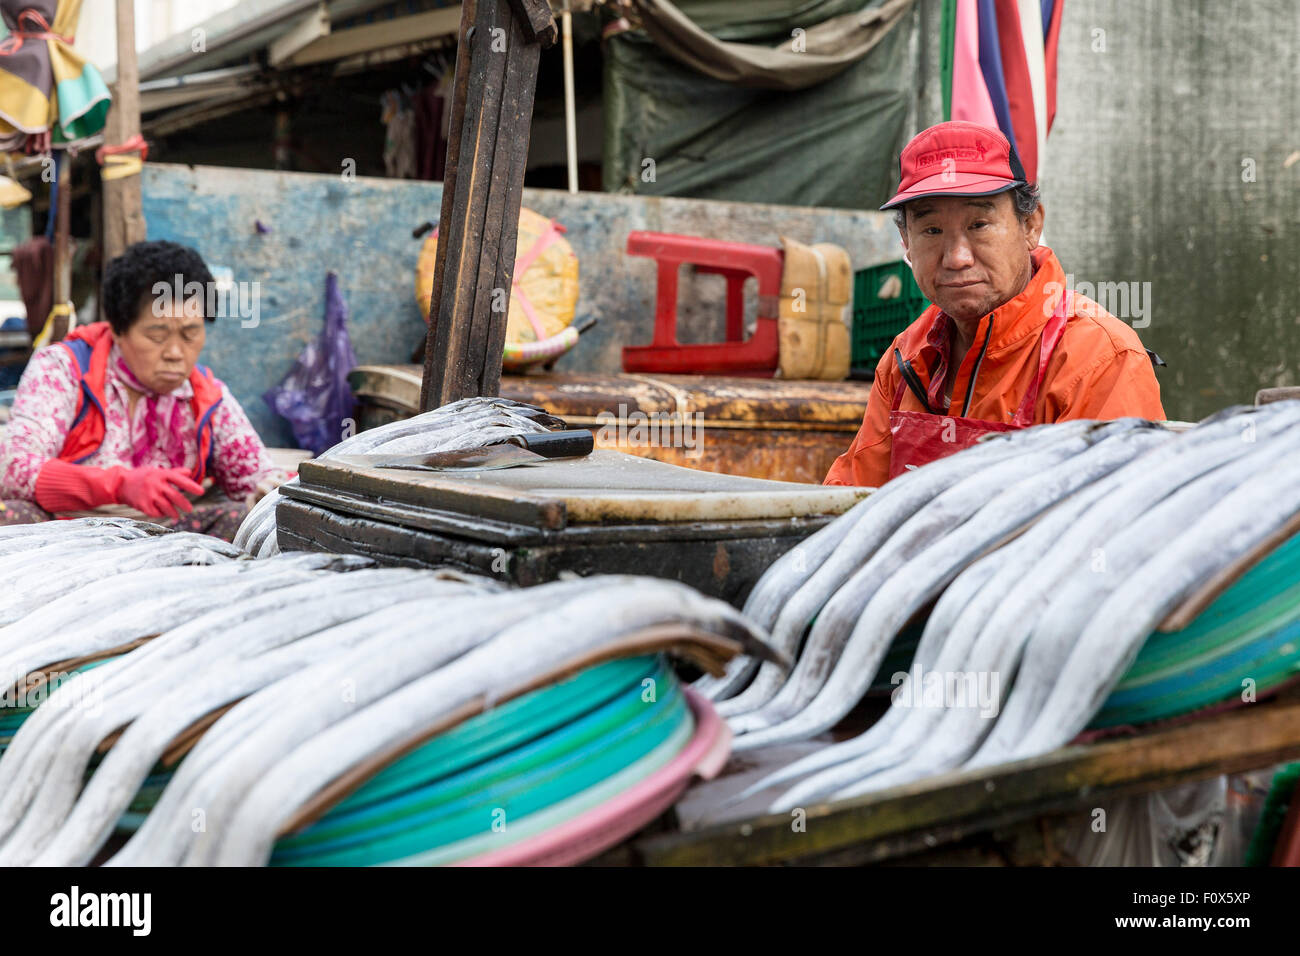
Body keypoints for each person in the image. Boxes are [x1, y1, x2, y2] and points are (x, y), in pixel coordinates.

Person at [825, 121, 1165, 488]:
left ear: (1030, 226)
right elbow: (853, 502)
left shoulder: (1098, 358)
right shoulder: (905, 358)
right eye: (932, 230)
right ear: (906, 241)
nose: (956, 257)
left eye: (979, 224)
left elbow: (1109, 524)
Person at [0, 240, 287, 540]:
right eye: (157, 335)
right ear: (118, 330)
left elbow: (257, 477)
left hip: (168, 538)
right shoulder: (64, 370)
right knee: (11, 517)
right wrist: (118, 485)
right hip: (68, 534)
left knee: (254, 521)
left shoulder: (206, 395)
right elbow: (14, 470)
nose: (176, 352)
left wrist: (269, 488)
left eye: (190, 334)